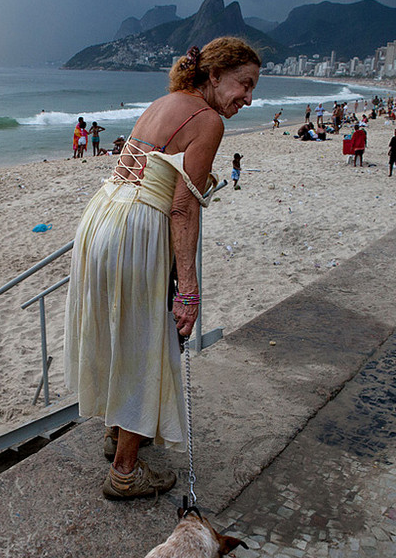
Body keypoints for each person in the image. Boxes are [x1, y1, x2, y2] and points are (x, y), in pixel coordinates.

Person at [64, 38, 260, 500]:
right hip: (138, 226)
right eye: (244, 84)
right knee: (148, 339)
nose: (249, 98)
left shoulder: (163, 102)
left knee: (119, 330)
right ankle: (125, 472)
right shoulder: (208, 120)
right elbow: (181, 208)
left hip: (100, 219)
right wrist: (189, 289)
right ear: (214, 76)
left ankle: (117, 434)